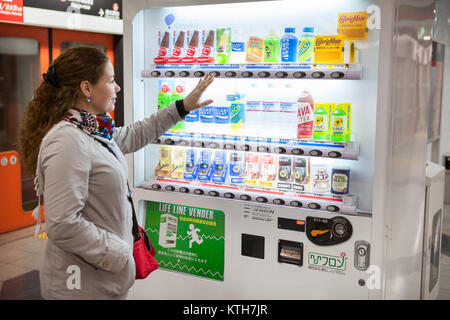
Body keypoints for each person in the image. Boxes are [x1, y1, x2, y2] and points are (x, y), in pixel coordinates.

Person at [17, 46, 214, 300]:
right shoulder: (68, 140)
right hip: (78, 287)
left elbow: (134, 134)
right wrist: (119, 255)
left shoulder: (93, 130)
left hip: (102, 279)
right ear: (86, 88)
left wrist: (182, 107)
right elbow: (63, 224)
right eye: (110, 81)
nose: (117, 88)